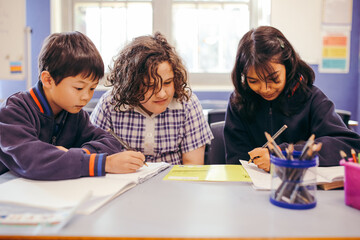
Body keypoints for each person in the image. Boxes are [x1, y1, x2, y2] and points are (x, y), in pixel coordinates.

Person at [0, 31, 145, 180]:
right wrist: (102, 163)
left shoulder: (73, 113)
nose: (86, 97)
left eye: (92, 88)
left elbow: (109, 141)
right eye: (78, 88)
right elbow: (33, 161)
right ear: (48, 80)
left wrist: (78, 155)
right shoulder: (14, 111)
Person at [224, 26, 360, 172]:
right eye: (253, 81)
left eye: (274, 79)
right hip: (249, 190)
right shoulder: (239, 102)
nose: (265, 89)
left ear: (287, 65)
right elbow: (236, 161)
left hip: (301, 187)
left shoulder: (311, 98)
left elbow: (350, 145)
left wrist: (285, 156)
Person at [90, 32, 213, 165]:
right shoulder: (109, 103)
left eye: (167, 83)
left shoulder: (188, 103)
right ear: (132, 84)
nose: (161, 94)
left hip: (174, 184)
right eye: (150, 85)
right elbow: (95, 159)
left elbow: (192, 167)